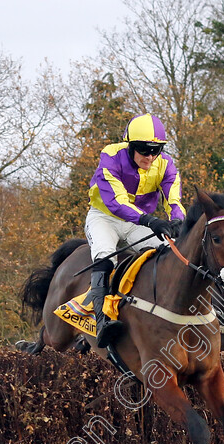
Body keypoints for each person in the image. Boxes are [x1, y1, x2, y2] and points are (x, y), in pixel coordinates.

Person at [85, 113, 186, 348]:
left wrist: (177, 221)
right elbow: (117, 203)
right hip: (105, 217)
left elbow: (173, 199)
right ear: (129, 145)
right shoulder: (110, 156)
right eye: (143, 149)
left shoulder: (166, 164)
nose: (150, 156)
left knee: (167, 255)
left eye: (156, 150)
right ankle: (101, 323)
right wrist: (152, 221)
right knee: (104, 258)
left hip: (137, 223)